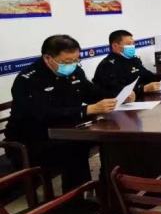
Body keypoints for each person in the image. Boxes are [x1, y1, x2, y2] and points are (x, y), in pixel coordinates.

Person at [5, 35, 122, 194]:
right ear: (48, 58)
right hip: (32, 140)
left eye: (76, 60)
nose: (72, 65)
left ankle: (108, 187)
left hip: (66, 130)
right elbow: (42, 114)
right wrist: (87, 110)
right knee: (75, 148)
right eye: (67, 61)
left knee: (106, 140)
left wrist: (117, 96)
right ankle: (75, 198)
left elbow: (92, 93)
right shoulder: (28, 80)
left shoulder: (75, 70)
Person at [93, 30, 161, 99]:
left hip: (138, 100)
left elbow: (147, 76)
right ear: (115, 46)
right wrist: (143, 89)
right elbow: (115, 91)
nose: (132, 46)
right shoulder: (106, 65)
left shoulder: (133, 60)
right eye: (128, 44)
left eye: (133, 43)